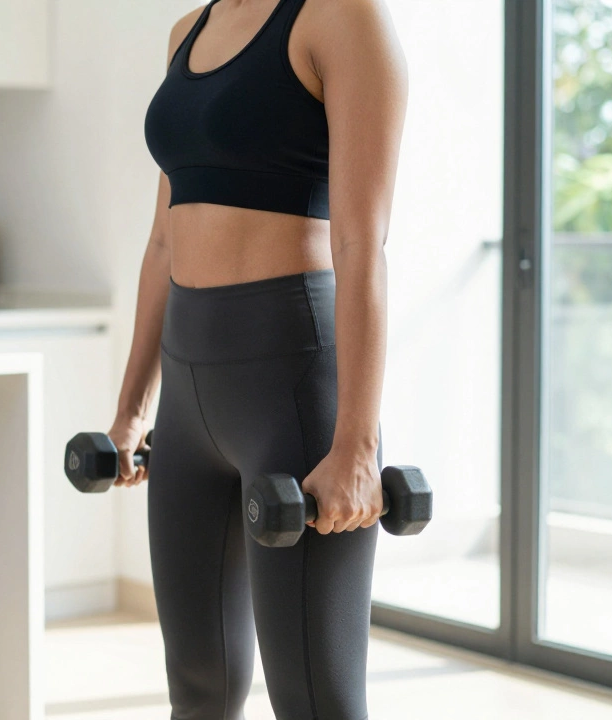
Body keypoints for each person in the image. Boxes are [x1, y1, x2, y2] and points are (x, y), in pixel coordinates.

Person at [114, 0, 408, 717]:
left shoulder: (343, 16)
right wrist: (131, 410)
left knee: (316, 698)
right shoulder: (187, 33)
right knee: (198, 685)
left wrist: (357, 446)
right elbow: (161, 243)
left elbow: (361, 245)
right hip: (187, 392)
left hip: (291, 384)